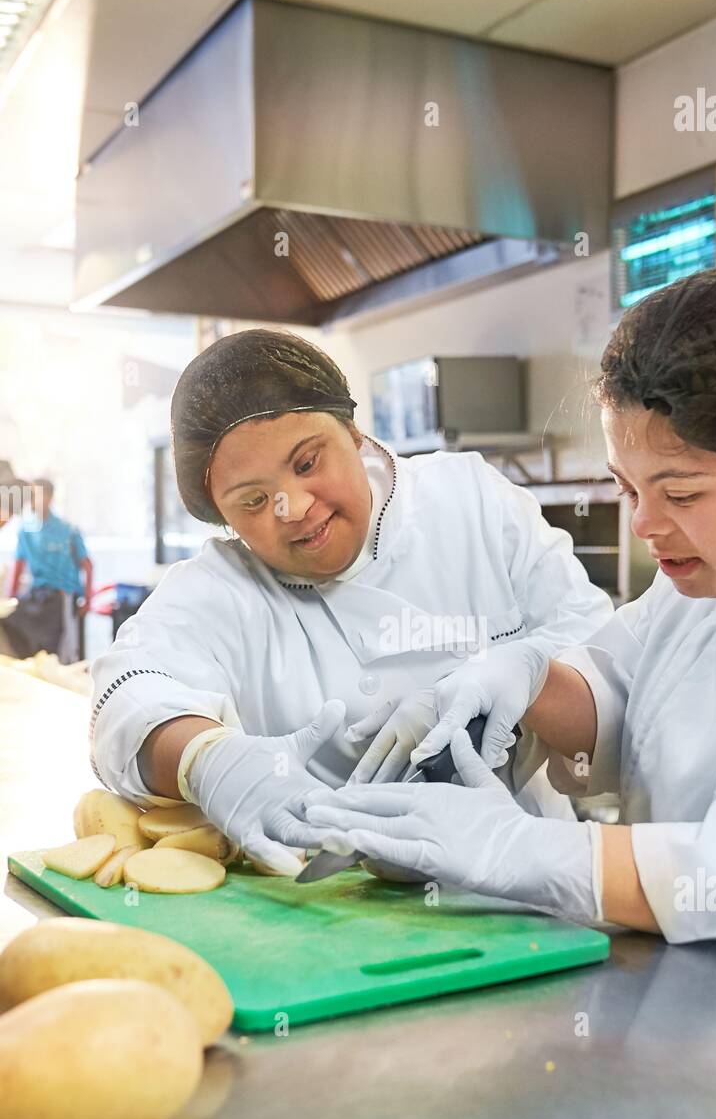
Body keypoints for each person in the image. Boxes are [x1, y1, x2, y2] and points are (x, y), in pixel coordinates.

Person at [305, 268, 716, 993]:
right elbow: (626, 690)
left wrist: (535, 853)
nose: (646, 525)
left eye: (682, 492)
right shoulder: (708, 580)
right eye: (627, 488)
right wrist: (523, 683)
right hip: (678, 1000)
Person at [88, 329, 612, 874]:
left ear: (353, 431)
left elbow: (601, 655)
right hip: (327, 910)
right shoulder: (221, 586)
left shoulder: (471, 500)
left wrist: (508, 689)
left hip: (532, 884)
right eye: (254, 500)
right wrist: (208, 760)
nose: (293, 507)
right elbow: (126, 699)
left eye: (308, 463)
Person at [6, 478, 92, 664]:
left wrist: (88, 598)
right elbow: (18, 566)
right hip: (36, 596)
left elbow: (87, 565)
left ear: (50, 497)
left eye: (38, 494)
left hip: (62, 598)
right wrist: (9, 597)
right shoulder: (25, 530)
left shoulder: (67, 530)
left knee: (62, 652)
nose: (33, 499)